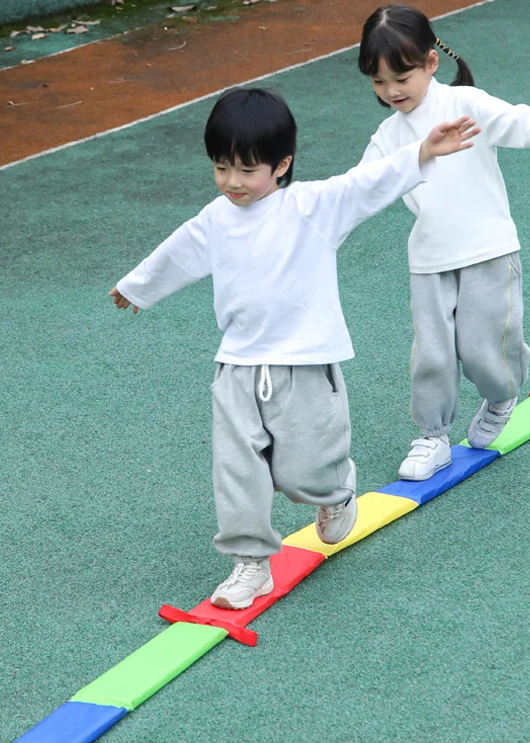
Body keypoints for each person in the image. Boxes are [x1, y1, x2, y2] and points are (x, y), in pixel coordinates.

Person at [109, 87, 477, 609]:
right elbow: (180, 251)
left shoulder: (313, 207)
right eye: (220, 168)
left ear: (281, 165)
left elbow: (364, 185)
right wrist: (138, 287)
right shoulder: (216, 218)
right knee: (236, 468)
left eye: (245, 169)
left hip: (304, 365)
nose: (232, 182)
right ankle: (250, 563)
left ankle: (336, 490)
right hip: (236, 365)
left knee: (305, 472)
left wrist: (421, 153)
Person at [357, 4, 530, 481]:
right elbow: (362, 187)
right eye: (378, 81)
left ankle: (503, 390)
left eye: (401, 76)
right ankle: (432, 435)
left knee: (486, 349)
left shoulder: (467, 104)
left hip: (488, 249)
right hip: (428, 258)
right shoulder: (387, 135)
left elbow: (514, 121)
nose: (391, 91)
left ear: (430, 63)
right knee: (433, 354)